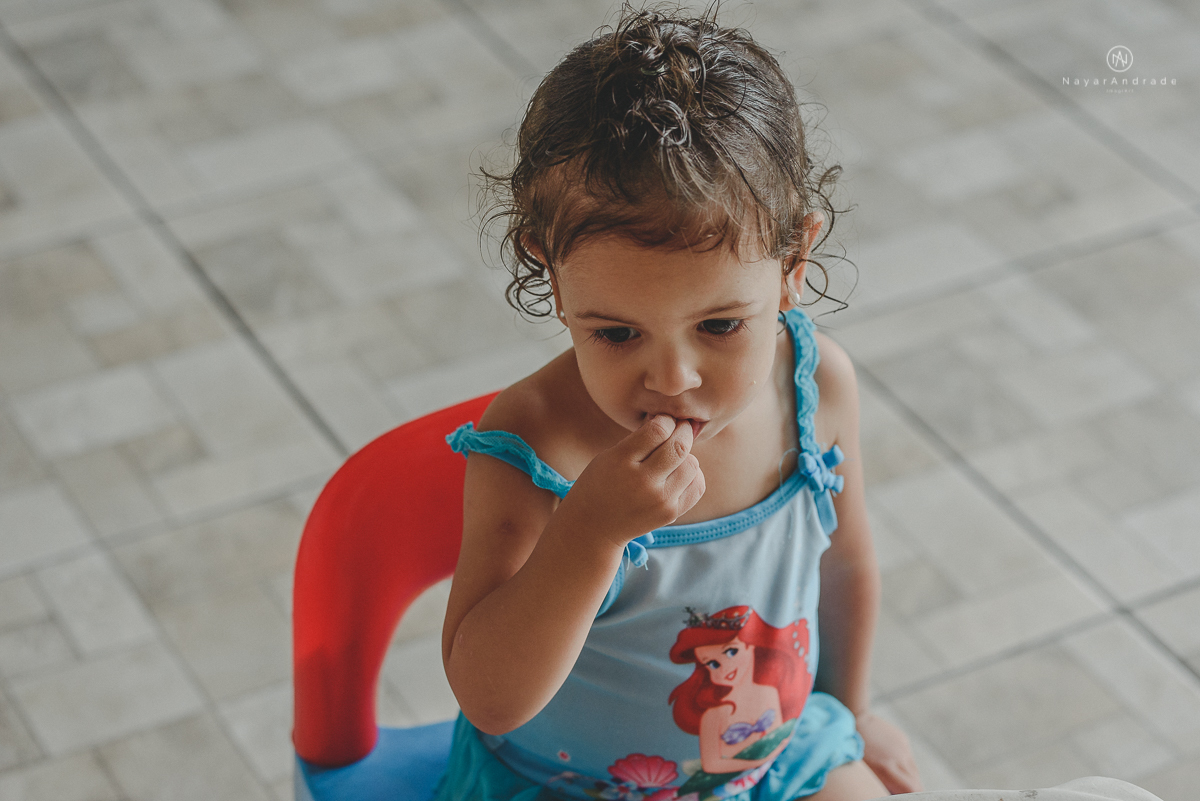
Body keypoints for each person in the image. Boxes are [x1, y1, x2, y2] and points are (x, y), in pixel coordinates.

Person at [436, 5, 922, 800]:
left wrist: (854, 710)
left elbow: (845, 566)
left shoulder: (816, 388)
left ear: (794, 260)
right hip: (565, 786)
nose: (674, 378)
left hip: (776, 756)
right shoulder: (533, 442)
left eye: (722, 324)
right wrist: (588, 533)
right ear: (551, 275)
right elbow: (489, 694)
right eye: (618, 332)